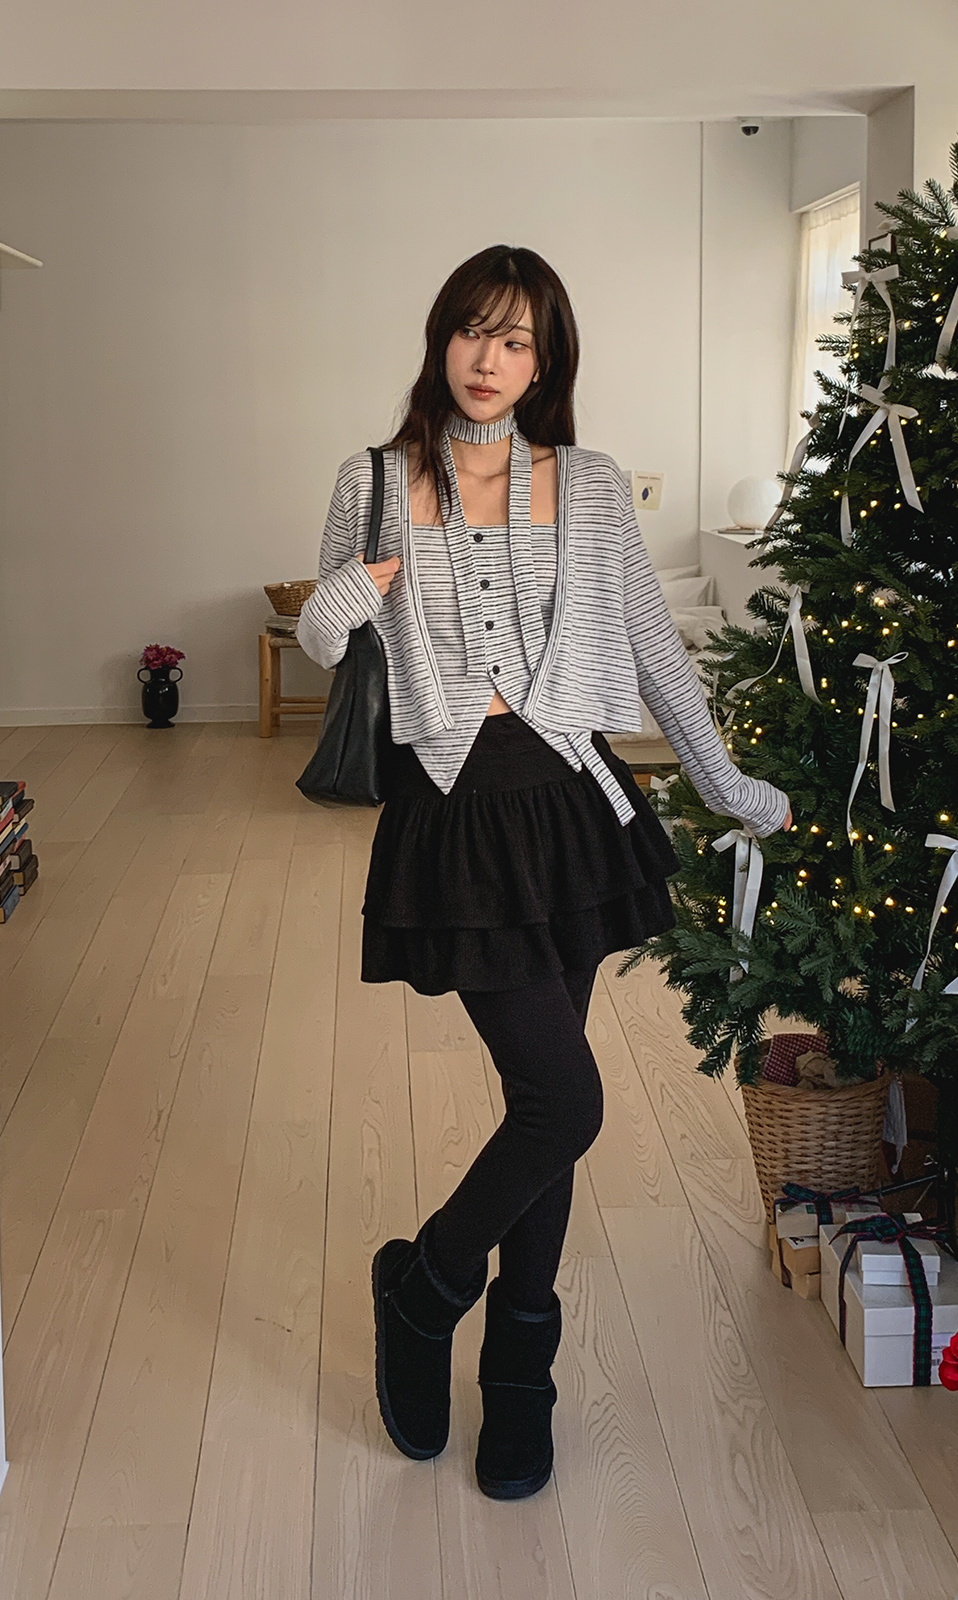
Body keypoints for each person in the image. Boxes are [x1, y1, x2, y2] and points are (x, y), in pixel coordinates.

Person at [296, 244, 791, 1501]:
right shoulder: (374, 478)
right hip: (454, 812)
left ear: (545, 360)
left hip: (571, 804)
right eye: (473, 330)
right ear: (440, 338)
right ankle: (425, 1288)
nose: (489, 358)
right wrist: (343, 598)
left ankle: (521, 1365)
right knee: (564, 1102)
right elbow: (322, 640)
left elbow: (652, 647)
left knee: (541, 1098)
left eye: (516, 340)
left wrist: (725, 783)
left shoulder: (591, 482)